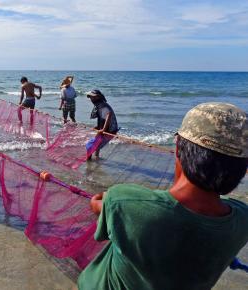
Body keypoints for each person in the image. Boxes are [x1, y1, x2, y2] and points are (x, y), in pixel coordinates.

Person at [78, 102, 248, 290]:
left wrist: (107, 201)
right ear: (242, 169)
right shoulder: (242, 220)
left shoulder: (125, 202)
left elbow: (97, 204)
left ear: (177, 149)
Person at [86, 90, 118, 160]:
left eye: (92, 97)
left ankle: (89, 161)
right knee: (97, 143)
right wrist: (98, 127)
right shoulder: (99, 104)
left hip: (109, 130)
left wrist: (103, 129)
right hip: (107, 129)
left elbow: (108, 116)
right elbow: (102, 118)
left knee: (90, 145)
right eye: (90, 97)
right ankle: (97, 156)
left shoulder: (102, 105)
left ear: (98, 97)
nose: (91, 99)